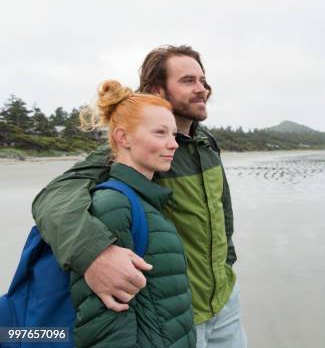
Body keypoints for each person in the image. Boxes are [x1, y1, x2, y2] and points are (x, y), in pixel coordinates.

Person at [32, 45, 247, 347]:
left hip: (225, 302)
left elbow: (223, 217)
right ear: (158, 91)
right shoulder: (139, 151)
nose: (202, 89)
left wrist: (226, 266)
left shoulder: (206, 143)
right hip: (179, 316)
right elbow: (52, 198)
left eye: (203, 80)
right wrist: (95, 254)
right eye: (188, 81)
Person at [71, 80, 195, 347]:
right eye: (160, 133)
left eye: (173, 134)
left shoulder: (144, 199)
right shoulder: (113, 204)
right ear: (122, 137)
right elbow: (104, 327)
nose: (173, 144)